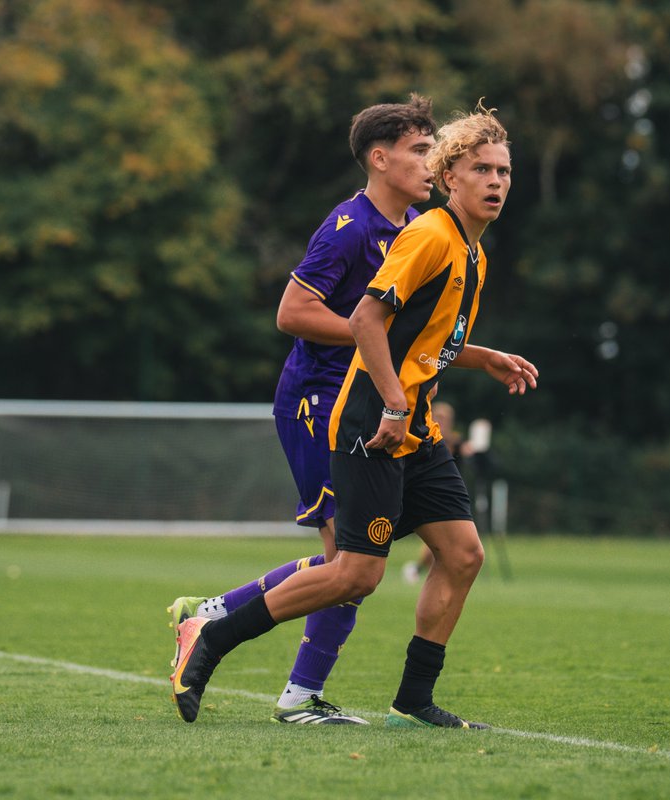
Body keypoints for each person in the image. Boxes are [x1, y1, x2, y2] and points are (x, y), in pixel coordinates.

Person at [171, 103, 536, 730]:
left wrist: (483, 358)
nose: (496, 181)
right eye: (482, 169)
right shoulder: (409, 233)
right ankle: (224, 639)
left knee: (461, 554)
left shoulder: (469, 252)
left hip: (412, 424)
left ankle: (411, 703)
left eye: (503, 170)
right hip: (358, 415)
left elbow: (423, 339)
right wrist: (392, 398)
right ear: (451, 175)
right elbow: (362, 320)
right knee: (354, 572)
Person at [402, 399, 473, 585]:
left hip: (452, 494)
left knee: (451, 544)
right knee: (443, 542)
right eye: (439, 416)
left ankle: (419, 570)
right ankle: (419, 569)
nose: (442, 420)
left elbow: (470, 455)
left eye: (446, 418)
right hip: (429, 494)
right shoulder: (425, 439)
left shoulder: (457, 441)